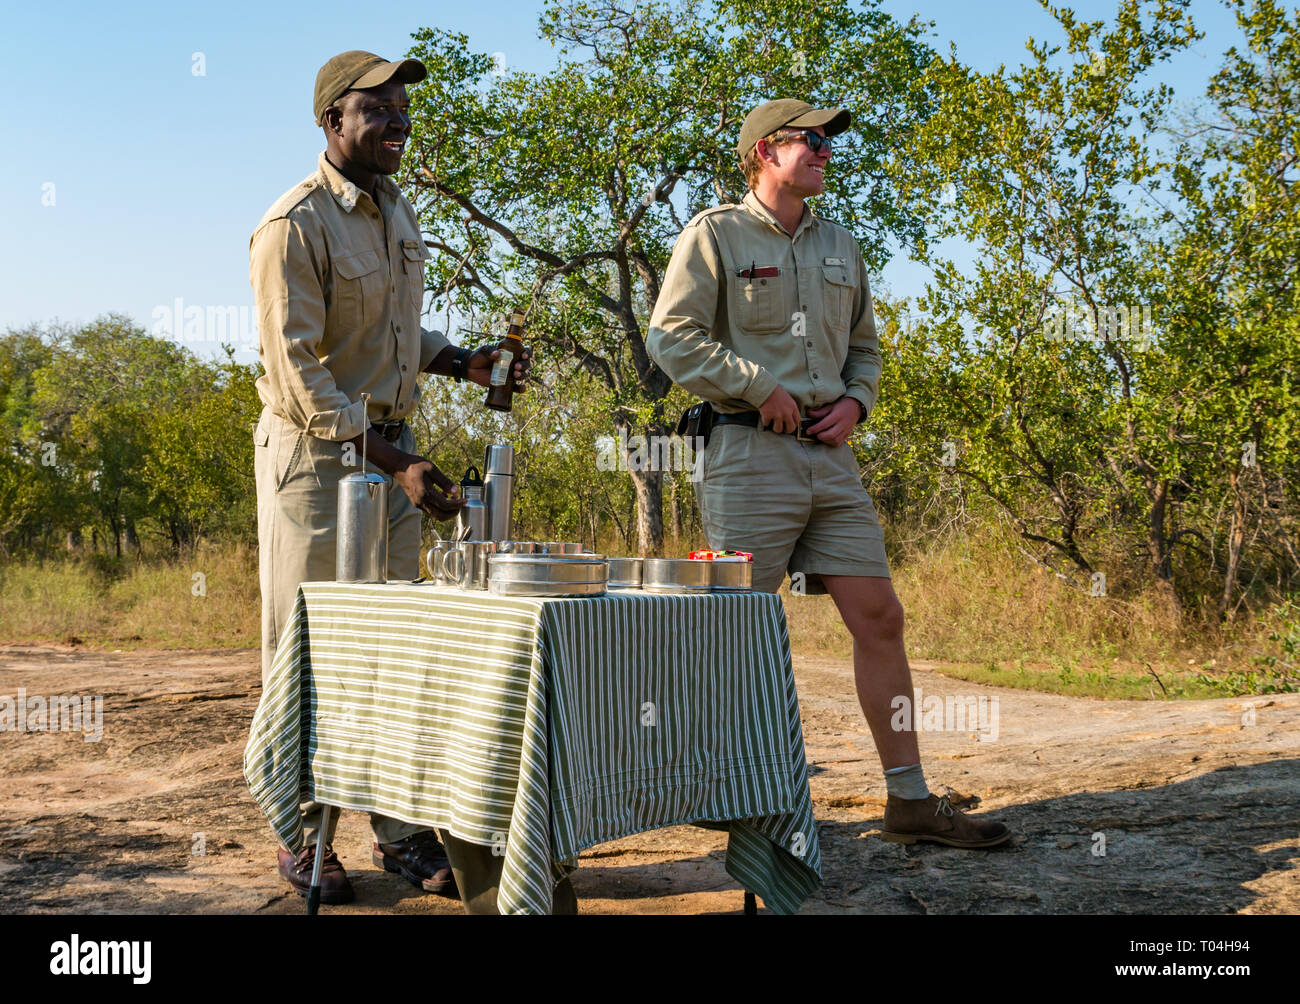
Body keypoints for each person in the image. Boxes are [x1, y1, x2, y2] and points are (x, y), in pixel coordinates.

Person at [647, 99, 1011, 849]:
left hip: (833, 458)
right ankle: (736, 798)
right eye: (810, 140)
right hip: (748, 455)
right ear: (763, 153)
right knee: (739, 634)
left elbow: (866, 351)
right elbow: (671, 338)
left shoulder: (841, 244)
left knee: (881, 617)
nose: (824, 151)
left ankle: (909, 801)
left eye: (828, 141)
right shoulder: (713, 234)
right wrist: (758, 388)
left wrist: (857, 403)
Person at [249, 50, 531, 904]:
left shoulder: (395, 213)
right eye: (378, 109)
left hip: (391, 459)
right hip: (317, 462)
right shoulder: (290, 227)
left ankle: (399, 833)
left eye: (402, 109)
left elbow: (398, 334)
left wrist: (468, 363)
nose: (399, 123)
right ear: (332, 121)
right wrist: (399, 461)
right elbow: (298, 373)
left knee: (399, 650)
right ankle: (305, 838)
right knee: (310, 648)